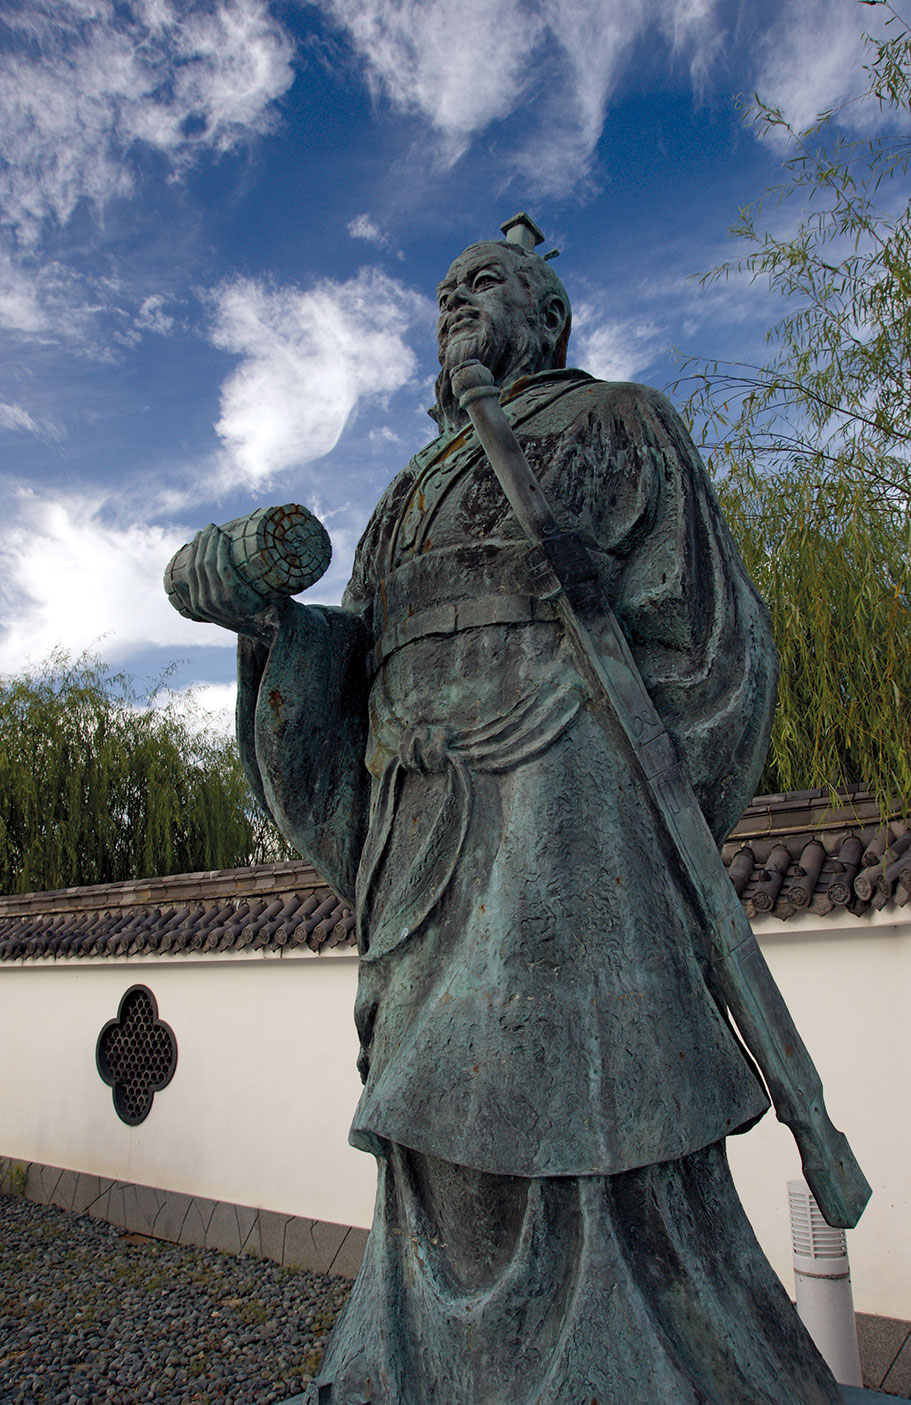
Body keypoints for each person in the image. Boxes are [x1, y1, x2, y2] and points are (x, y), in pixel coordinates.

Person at [175, 227, 843, 1402]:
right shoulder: (405, 490)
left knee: (572, 1085)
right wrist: (279, 633)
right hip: (423, 814)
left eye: (479, 285)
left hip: (565, 804)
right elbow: (363, 652)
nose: (451, 307)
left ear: (546, 316)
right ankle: (427, 1360)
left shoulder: (618, 423)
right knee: (436, 1104)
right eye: (440, 295)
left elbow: (705, 633)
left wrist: (598, 652)